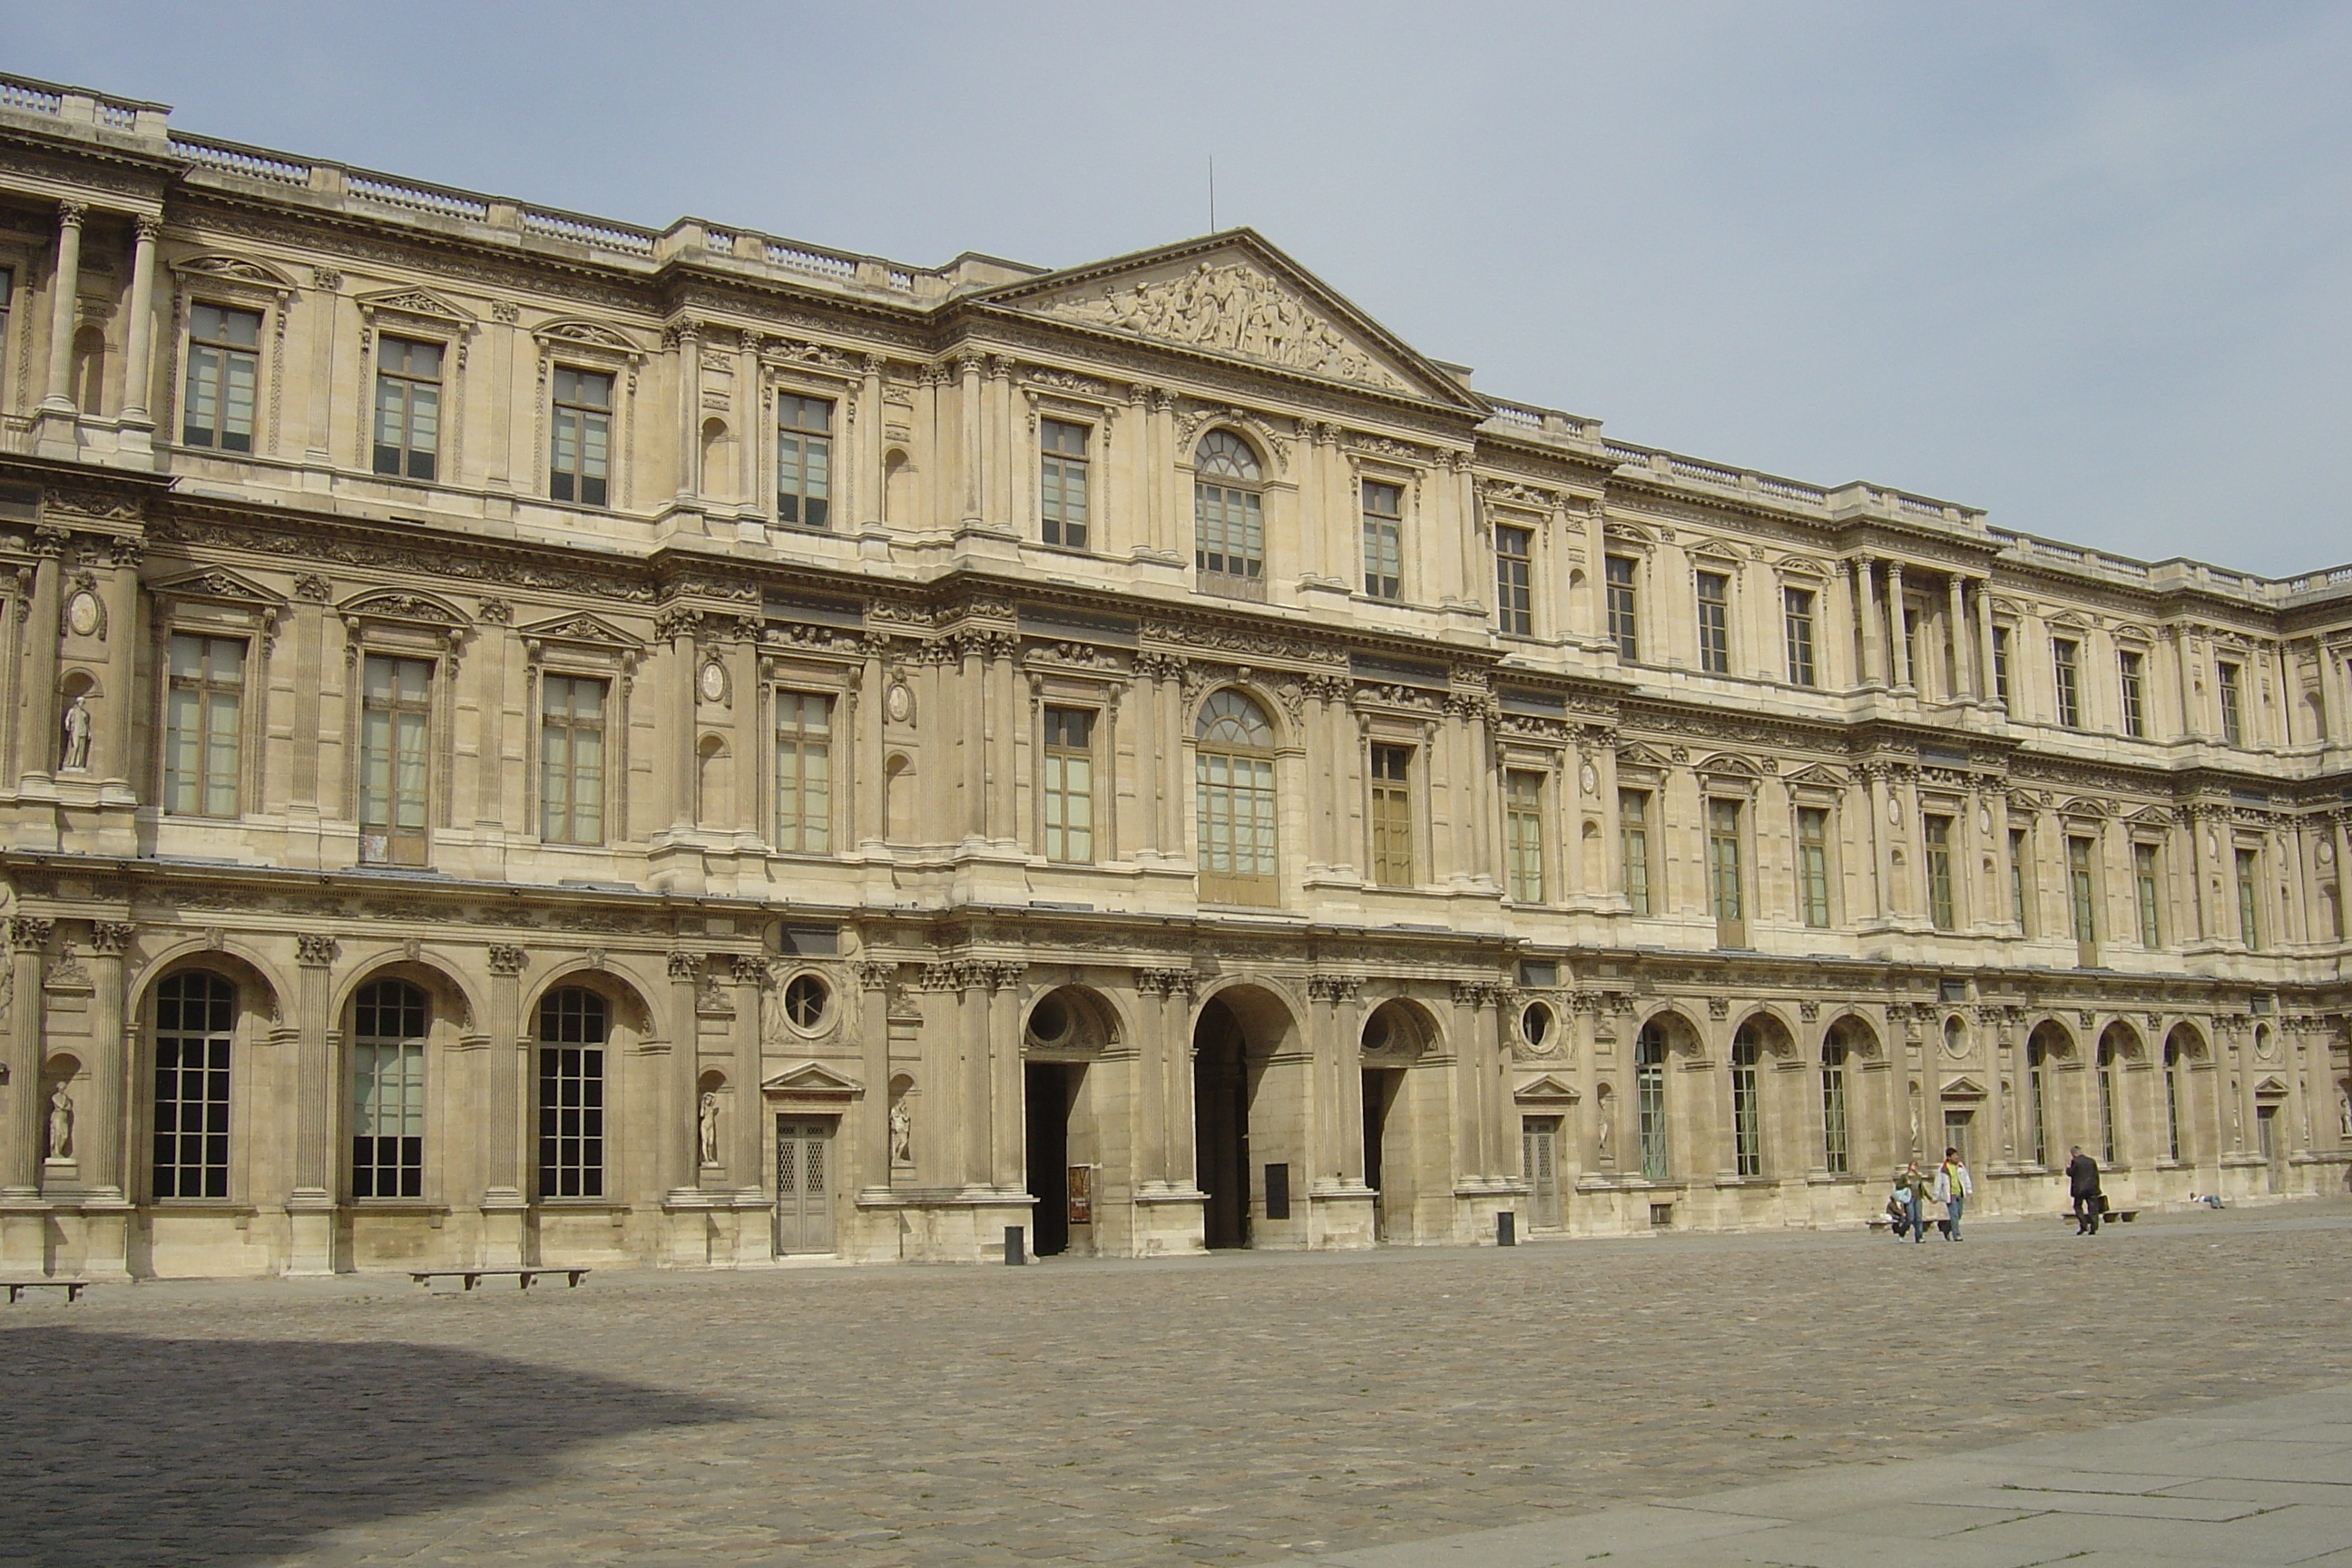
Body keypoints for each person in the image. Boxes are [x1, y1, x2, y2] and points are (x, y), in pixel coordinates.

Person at [1933, 1146, 1975, 1240]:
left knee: (1958, 1215)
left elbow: (1966, 1178)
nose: (1957, 1157)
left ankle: (1946, 1228)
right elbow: (1938, 1182)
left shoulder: (1960, 1166)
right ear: (1949, 1157)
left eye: (1957, 1155)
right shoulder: (1943, 1168)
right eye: (1954, 1155)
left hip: (1959, 1193)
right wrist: (1936, 1196)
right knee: (1954, 1215)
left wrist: (1969, 1190)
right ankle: (1957, 1235)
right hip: (1950, 1194)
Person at [2065, 1144, 2103, 1235]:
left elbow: (2071, 1173)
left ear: (2074, 1154)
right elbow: (2096, 1175)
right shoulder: (2091, 1161)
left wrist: (2068, 1169)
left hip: (2080, 1189)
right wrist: (2097, 1187)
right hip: (2092, 1188)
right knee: (2093, 1207)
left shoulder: (2075, 1162)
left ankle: (2084, 1224)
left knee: (2077, 1206)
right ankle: (2094, 1226)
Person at [1898, 1161, 1932, 1244]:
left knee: (1919, 1218)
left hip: (1918, 1198)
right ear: (1909, 1166)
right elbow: (1898, 1186)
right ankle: (1901, 1231)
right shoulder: (1904, 1177)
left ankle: (1919, 1236)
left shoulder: (1918, 1177)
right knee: (1910, 1218)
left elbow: (1922, 1189)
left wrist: (1929, 1198)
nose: (1915, 1167)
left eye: (1916, 1165)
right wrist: (1906, 1184)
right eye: (1913, 1165)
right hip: (1909, 1199)